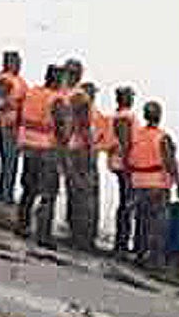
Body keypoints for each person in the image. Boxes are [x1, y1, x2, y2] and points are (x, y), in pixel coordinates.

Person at [125, 101, 179, 269]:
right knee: (158, 223)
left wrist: (130, 183)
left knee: (141, 221)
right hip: (157, 183)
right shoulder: (162, 137)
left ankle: (140, 254)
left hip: (138, 181)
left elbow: (129, 158)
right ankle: (155, 260)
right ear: (159, 116)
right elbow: (170, 162)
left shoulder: (136, 135)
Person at [15, 63, 64, 242]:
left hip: (27, 144)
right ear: (58, 79)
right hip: (46, 149)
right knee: (48, 192)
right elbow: (61, 126)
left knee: (28, 188)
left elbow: (20, 113)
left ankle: (22, 225)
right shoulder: (56, 99)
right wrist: (63, 146)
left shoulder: (32, 92)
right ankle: (43, 234)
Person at [62, 87, 100, 250]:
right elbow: (86, 135)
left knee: (75, 195)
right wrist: (91, 154)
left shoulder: (69, 114)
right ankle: (84, 237)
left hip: (73, 152)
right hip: (82, 155)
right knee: (86, 197)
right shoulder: (85, 112)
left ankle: (76, 233)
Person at [0, 50, 27, 204]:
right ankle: (5, 195)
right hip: (8, 127)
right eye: (16, 62)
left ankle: (6, 193)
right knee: (9, 162)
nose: (19, 65)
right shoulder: (4, 81)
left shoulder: (16, 81)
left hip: (14, 127)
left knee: (11, 163)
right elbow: (0, 103)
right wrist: (9, 117)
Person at [103, 85, 136, 254]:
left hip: (119, 162)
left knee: (125, 202)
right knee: (127, 203)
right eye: (130, 96)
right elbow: (125, 142)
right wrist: (131, 164)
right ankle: (122, 242)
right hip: (124, 164)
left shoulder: (118, 116)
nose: (132, 99)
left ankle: (121, 241)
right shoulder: (124, 117)